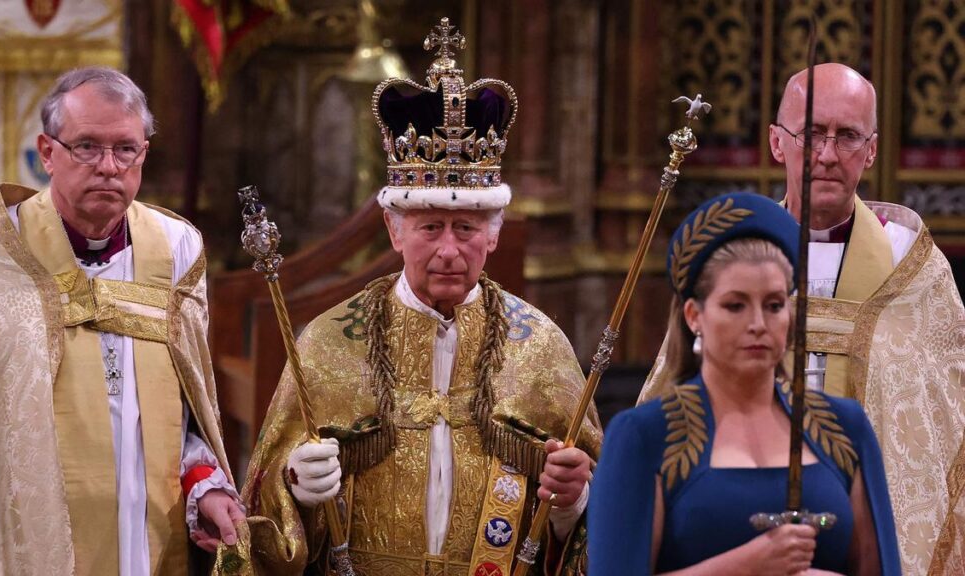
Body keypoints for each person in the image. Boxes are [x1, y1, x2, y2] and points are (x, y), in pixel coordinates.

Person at [238, 19, 601, 576]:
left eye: (467, 226)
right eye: (431, 227)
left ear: (495, 233)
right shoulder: (330, 341)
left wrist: (573, 501)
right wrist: (296, 486)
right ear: (394, 230)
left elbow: (588, 523)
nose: (450, 250)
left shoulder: (542, 348)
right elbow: (263, 513)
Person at [640, 63, 965, 574]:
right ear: (776, 143)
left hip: (859, 530)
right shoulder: (731, 259)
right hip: (730, 509)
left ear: (873, 149)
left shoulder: (911, 269)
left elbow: (937, 420)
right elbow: (676, 387)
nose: (827, 155)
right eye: (810, 133)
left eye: (848, 136)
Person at [0, 67, 244, 575]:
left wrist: (204, 485)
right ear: (47, 153)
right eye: (86, 146)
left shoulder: (176, 249)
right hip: (34, 546)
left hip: (150, 540)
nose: (108, 166)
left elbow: (184, 407)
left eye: (125, 149)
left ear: (143, 154)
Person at [591, 192, 900, 574]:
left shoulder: (844, 428)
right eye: (735, 305)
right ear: (694, 316)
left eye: (773, 305)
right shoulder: (645, 436)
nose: (757, 323)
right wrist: (748, 565)